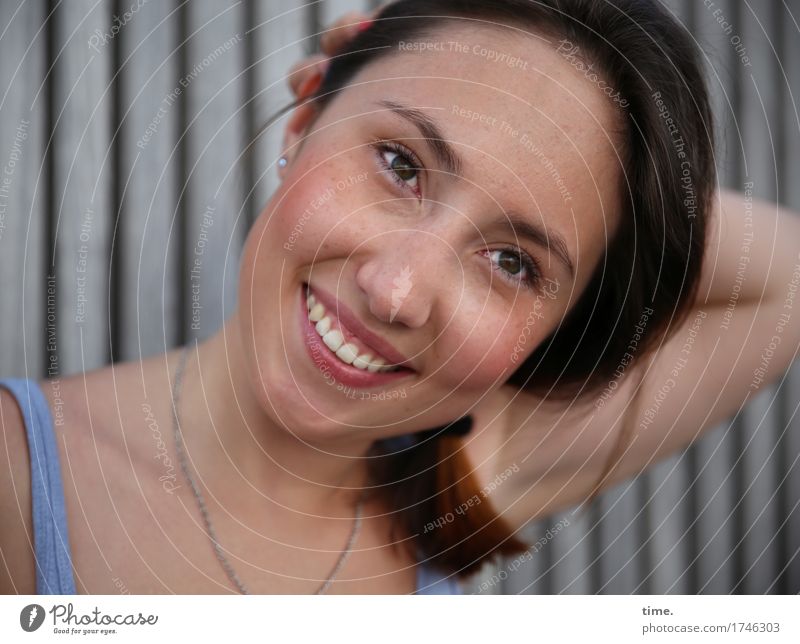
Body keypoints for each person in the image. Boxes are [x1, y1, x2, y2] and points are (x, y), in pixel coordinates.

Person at [2, 0, 799, 595]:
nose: (396, 290)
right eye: (401, 164)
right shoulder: (16, 478)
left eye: (514, 262)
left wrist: (620, 197)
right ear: (304, 116)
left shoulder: (471, 476)